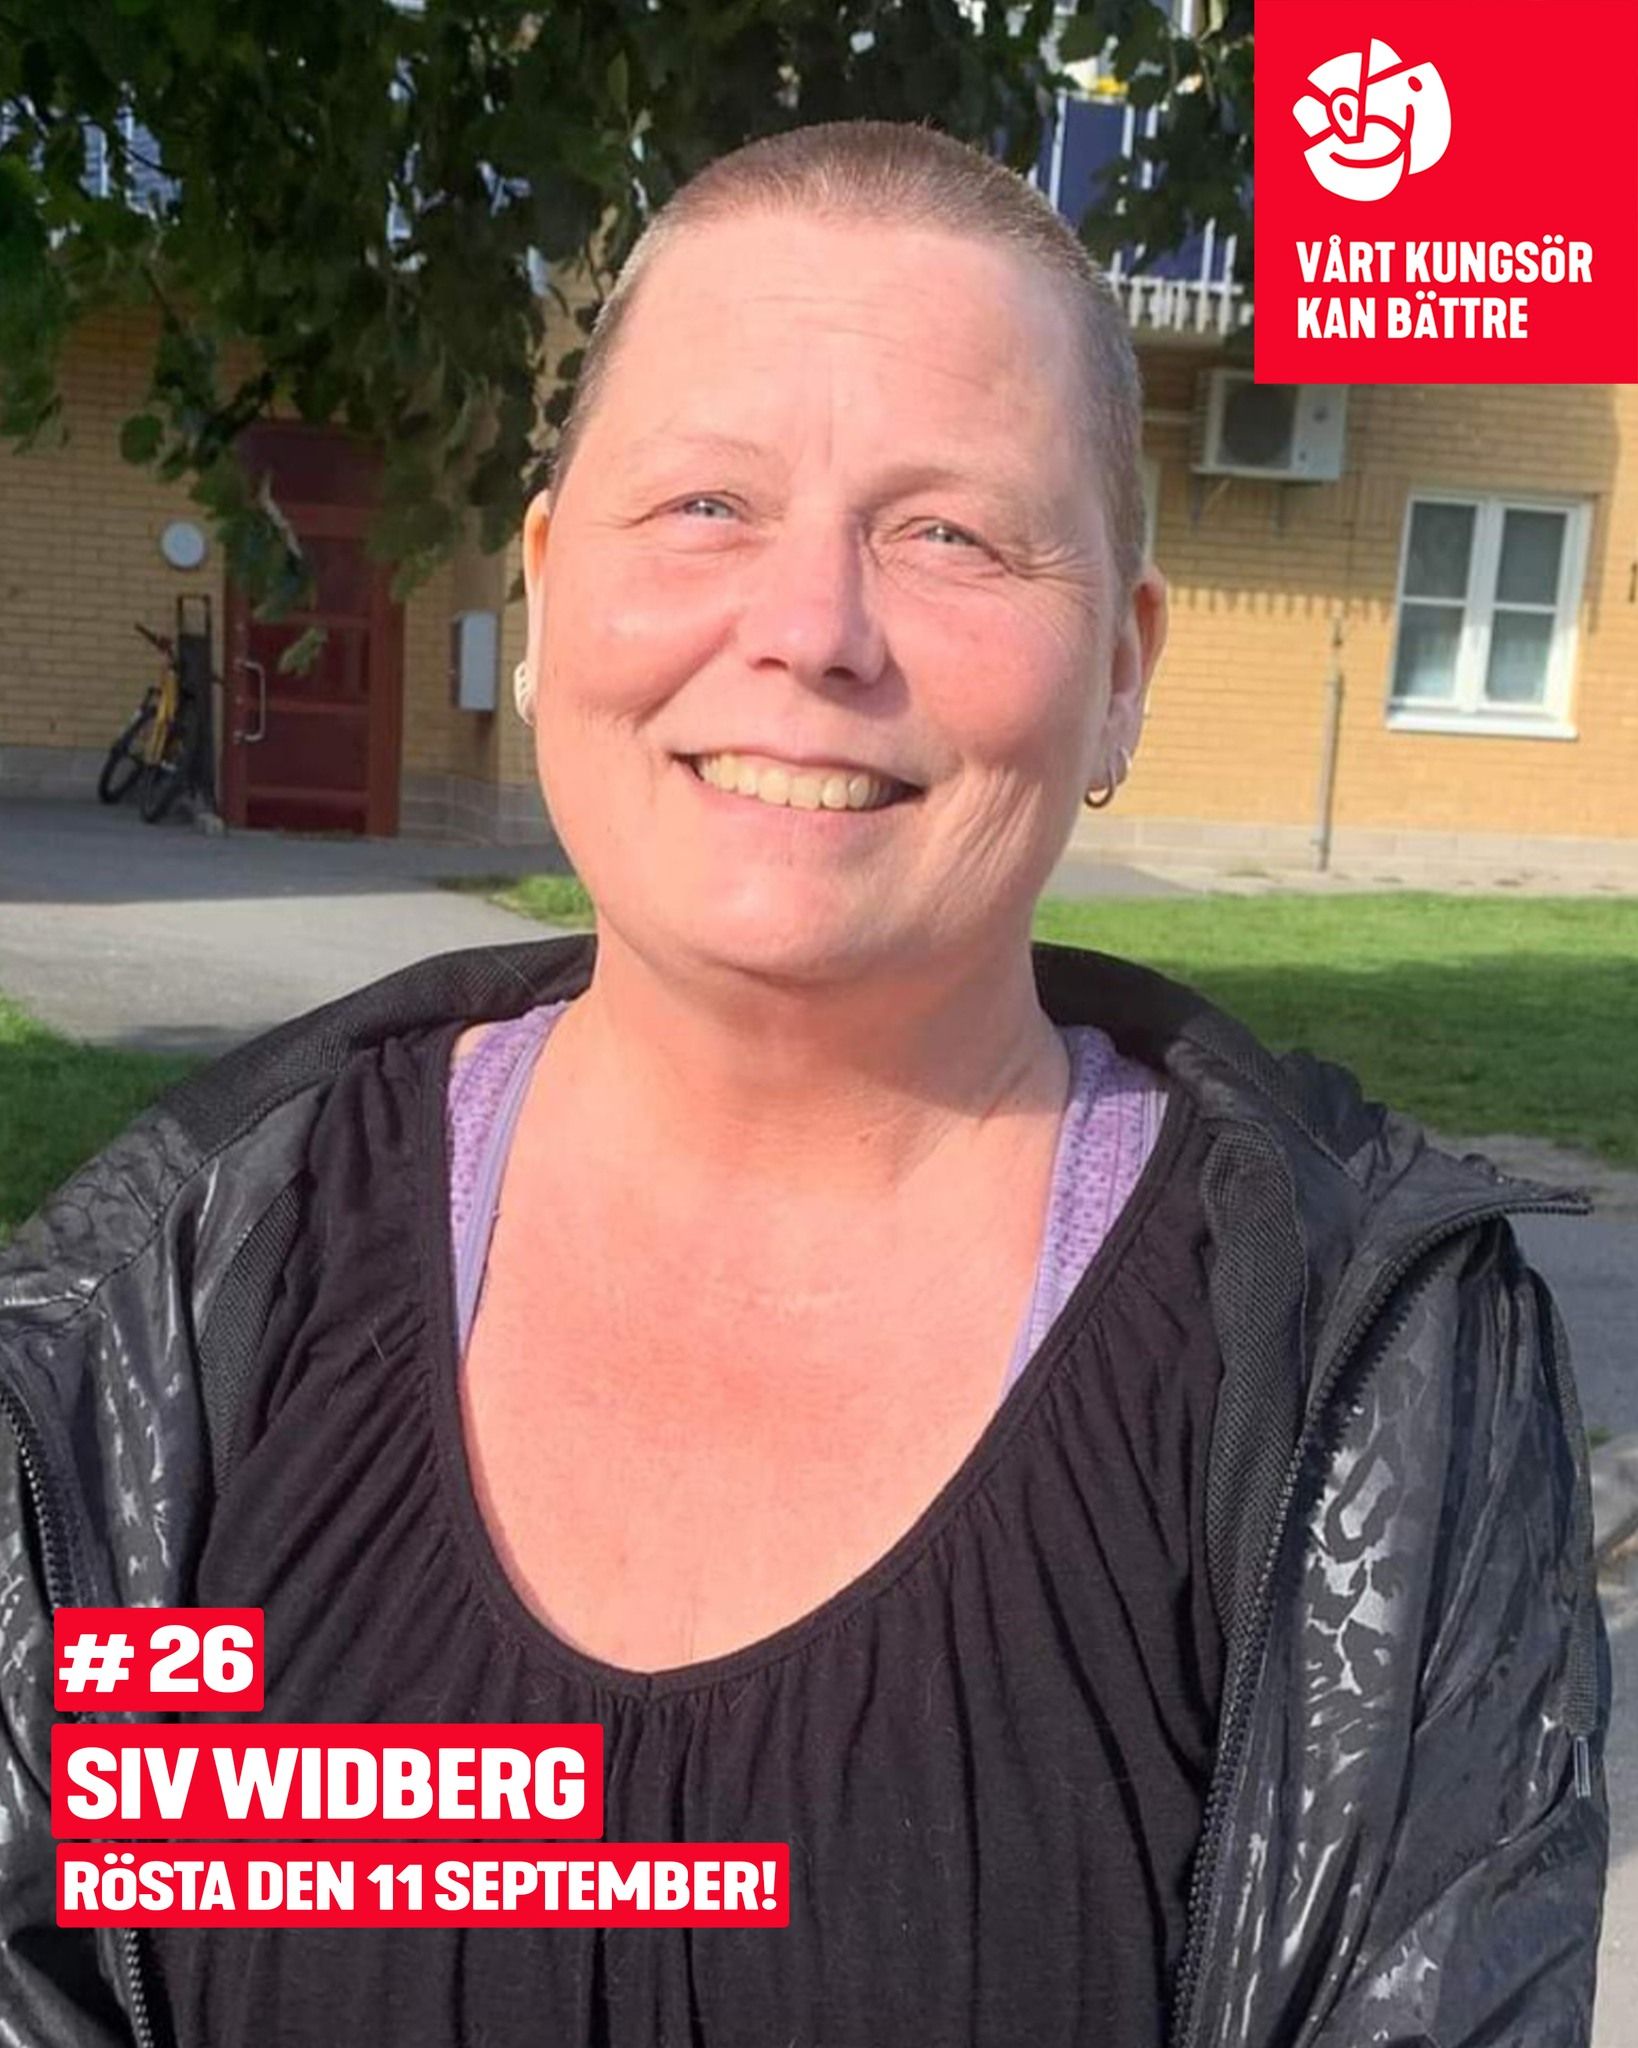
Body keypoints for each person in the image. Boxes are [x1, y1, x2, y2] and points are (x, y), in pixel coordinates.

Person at [0, 119, 1608, 2048]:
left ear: (1120, 668)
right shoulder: (167, 1304)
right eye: (703, 503)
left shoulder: (1372, 1367)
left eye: (949, 535)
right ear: (545, 586)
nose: (810, 631)